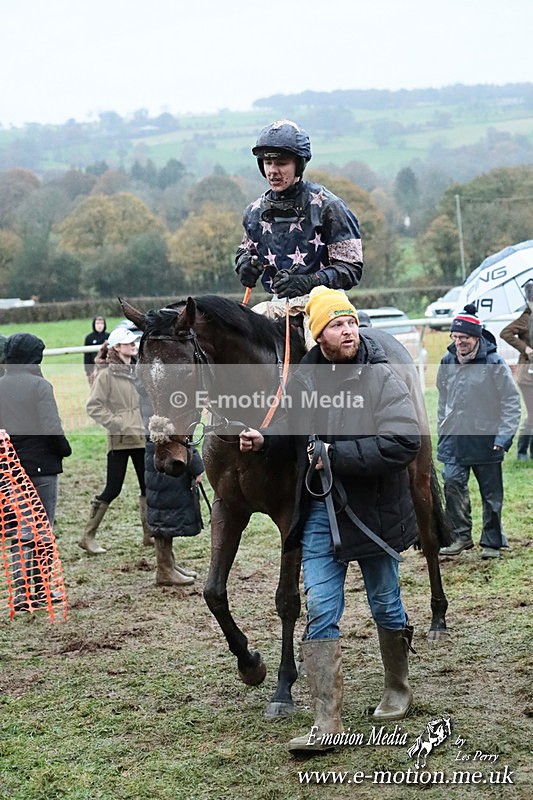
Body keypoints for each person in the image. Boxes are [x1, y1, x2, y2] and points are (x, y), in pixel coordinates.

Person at [239, 286, 421, 753]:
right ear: (318, 335)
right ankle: (326, 723)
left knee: (385, 603)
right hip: (320, 511)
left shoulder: (380, 377)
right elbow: (294, 428)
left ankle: (398, 686)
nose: (349, 330)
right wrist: (265, 438)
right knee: (321, 608)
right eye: (337, 324)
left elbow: (404, 443)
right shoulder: (305, 375)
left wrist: (337, 455)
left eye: (352, 322)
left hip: (373, 513)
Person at [235, 120, 363, 347]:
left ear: (299, 165)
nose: (273, 171)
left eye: (282, 163)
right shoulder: (254, 212)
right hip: (278, 305)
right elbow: (244, 251)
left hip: (327, 304)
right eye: (268, 162)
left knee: (318, 348)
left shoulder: (329, 206)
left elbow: (351, 268)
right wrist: (244, 265)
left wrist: (307, 282)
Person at [437, 304, 521, 559]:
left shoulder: (494, 362)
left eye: (464, 337)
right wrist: (443, 425)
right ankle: (461, 536)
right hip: (455, 439)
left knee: (491, 494)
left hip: (487, 441)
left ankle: (492, 541)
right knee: (452, 484)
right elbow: (443, 397)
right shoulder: (447, 360)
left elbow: (511, 402)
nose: (459, 342)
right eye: (455, 337)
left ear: (476, 337)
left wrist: (503, 437)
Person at [0, 333, 72, 609]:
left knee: (20, 529)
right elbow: (50, 426)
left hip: (10, 468)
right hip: (41, 467)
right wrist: (64, 449)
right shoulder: (40, 386)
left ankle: (20, 593)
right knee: (42, 527)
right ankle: (41, 589)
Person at [80, 326, 150, 555]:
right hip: (120, 440)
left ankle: (149, 535)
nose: (133, 345)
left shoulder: (137, 369)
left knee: (146, 486)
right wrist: (119, 423)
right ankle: (87, 536)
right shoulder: (106, 374)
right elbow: (94, 407)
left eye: (133, 342)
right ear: (117, 347)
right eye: (128, 342)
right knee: (112, 489)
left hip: (141, 437)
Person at [137, 383, 205, 587]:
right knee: (163, 512)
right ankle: (164, 569)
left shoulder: (155, 391)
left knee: (165, 510)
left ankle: (169, 564)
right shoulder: (158, 396)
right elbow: (178, 433)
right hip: (168, 455)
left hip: (165, 453)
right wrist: (196, 465)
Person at [500, 280, 533, 460]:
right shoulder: (525, 319)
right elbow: (505, 333)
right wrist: (525, 348)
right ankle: (522, 451)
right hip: (527, 375)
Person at [83, 316, 108, 385]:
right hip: (93, 368)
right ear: (94, 325)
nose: (99, 326)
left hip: (106, 367)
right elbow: (87, 355)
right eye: (97, 323)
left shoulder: (108, 336)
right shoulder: (89, 338)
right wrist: (88, 371)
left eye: (101, 323)